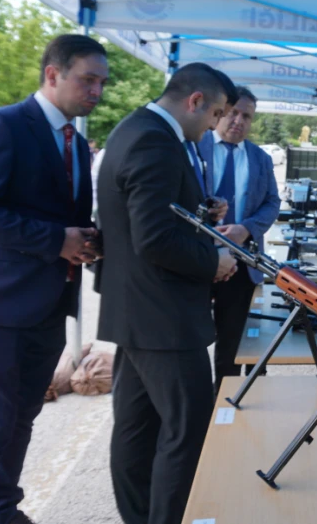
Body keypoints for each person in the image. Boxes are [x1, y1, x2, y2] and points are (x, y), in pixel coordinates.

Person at [0, 34, 105, 524]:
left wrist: (89, 241)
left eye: (102, 82)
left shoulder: (77, 143)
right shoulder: (1, 125)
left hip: (48, 300)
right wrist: (57, 239)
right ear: (53, 74)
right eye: (87, 79)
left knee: (22, 417)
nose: (96, 90)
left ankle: (3, 509)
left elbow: (64, 216)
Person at [96, 62, 239, 524]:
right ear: (194, 101)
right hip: (163, 317)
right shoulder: (155, 140)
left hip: (141, 313)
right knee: (186, 431)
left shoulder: (137, 129)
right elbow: (153, 238)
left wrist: (200, 210)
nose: (217, 124)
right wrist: (213, 261)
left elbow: (152, 213)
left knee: (137, 431)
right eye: (216, 113)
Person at [198, 86, 281, 395]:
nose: (238, 121)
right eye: (233, 112)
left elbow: (272, 203)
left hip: (241, 264)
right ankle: (196, 407)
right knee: (192, 341)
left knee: (232, 343)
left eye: (246, 116)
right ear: (220, 112)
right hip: (196, 260)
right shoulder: (197, 145)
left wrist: (246, 228)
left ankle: (225, 407)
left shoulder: (260, 158)